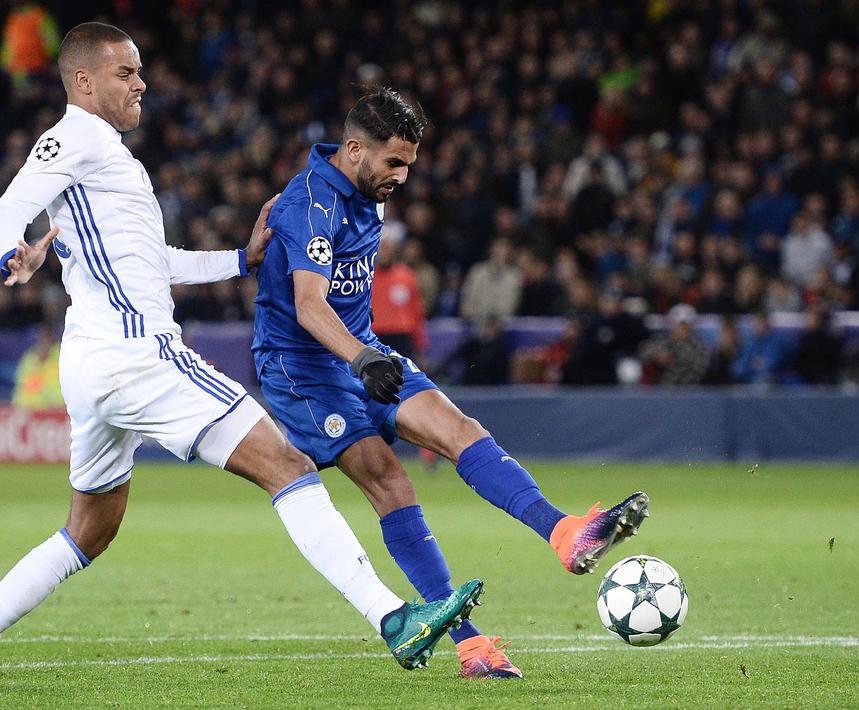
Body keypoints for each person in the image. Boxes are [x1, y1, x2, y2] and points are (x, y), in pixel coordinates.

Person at [0, 24, 481, 671]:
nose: (141, 82)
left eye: (141, 70)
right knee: (289, 466)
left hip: (94, 363)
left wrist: (239, 258)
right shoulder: (74, 137)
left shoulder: (105, 157)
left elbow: (152, 260)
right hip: (137, 355)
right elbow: (10, 206)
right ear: (84, 81)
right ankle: (392, 615)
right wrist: (8, 249)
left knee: (89, 530)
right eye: (125, 73)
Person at [252, 88, 650, 679]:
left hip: (363, 351)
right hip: (302, 369)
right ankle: (471, 645)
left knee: (459, 429)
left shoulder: (366, 190)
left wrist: (366, 354)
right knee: (389, 479)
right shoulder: (310, 204)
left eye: (410, 164)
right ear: (355, 149)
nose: (403, 177)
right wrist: (362, 359)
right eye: (394, 163)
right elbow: (309, 306)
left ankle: (566, 534)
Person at [11, 323, 62, 410]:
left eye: (45, 339)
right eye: (39, 340)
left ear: (51, 339)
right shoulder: (29, 358)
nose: (42, 344)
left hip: (58, 410)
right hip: (28, 410)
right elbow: (20, 384)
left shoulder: (62, 355)